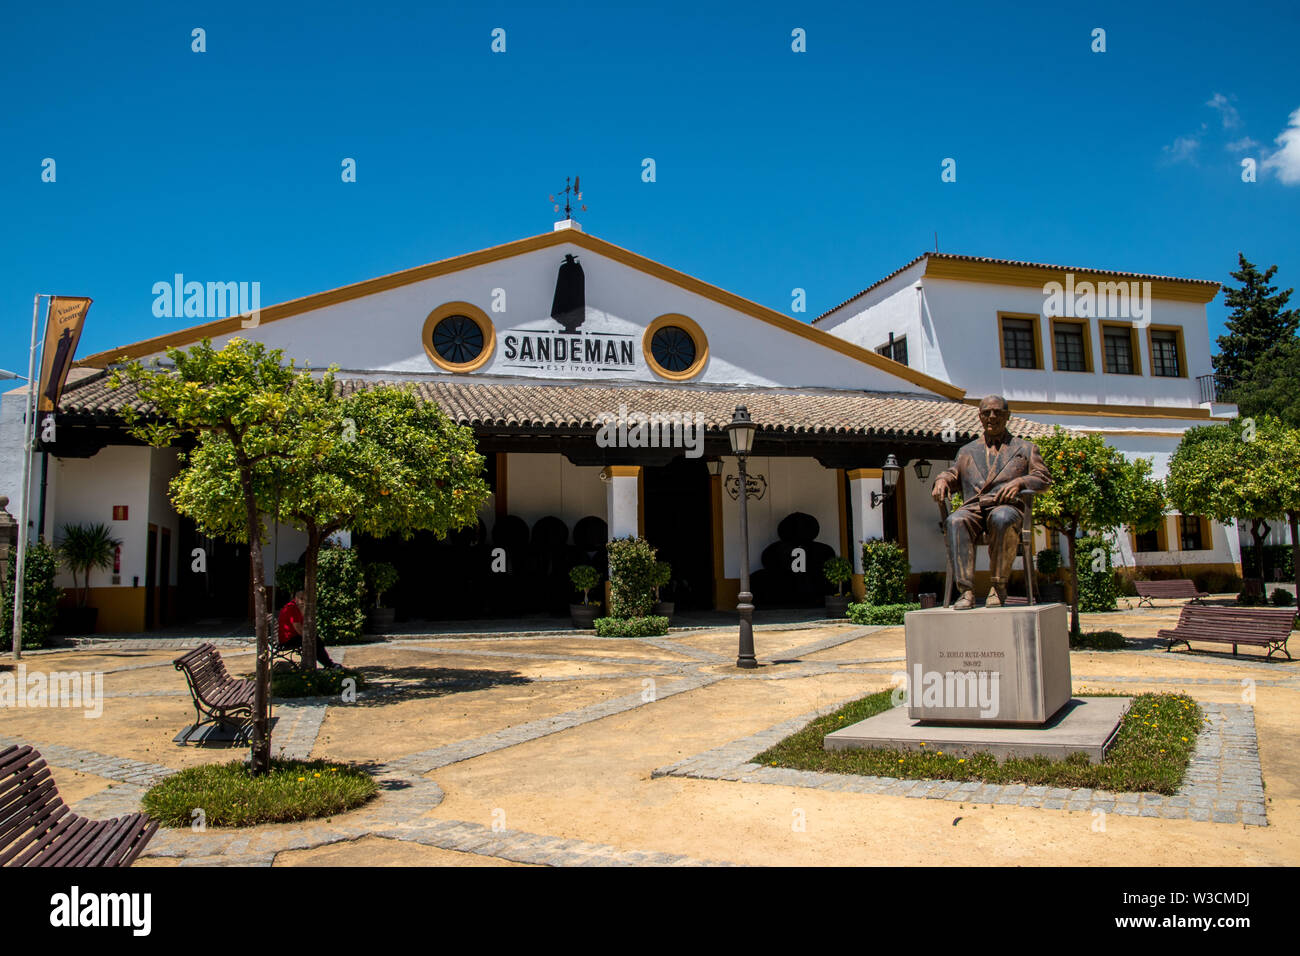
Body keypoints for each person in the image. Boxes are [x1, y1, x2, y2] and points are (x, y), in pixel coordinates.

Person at [930, 395, 1052, 609]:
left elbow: (1044, 478)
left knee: (1001, 517)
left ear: (1008, 416)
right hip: (975, 509)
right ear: (980, 417)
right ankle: (966, 591)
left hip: (1007, 507)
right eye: (986, 413)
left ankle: (998, 585)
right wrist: (941, 479)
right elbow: (953, 473)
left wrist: (1021, 482)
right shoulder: (967, 451)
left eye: (998, 412)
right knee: (955, 520)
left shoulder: (1024, 448)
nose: (992, 417)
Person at [277, 590, 339, 668]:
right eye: (301, 599)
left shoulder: (297, 607)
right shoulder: (292, 608)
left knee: (316, 640)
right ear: (296, 598)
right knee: (315, 641)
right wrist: (309, 637)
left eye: (305, 599)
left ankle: (328, 663)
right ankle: (329, 664)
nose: (303, 601)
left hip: (291, 637)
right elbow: (298, 629)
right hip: (288, 640)